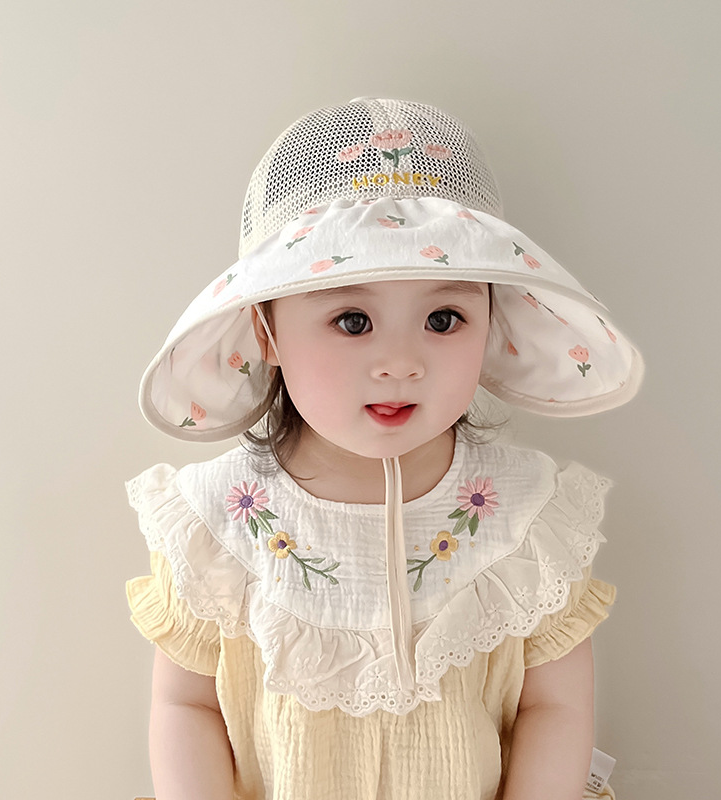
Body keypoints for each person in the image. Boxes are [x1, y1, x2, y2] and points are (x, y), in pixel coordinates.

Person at [126, 97, 644, 800]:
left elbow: (552, 706)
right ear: (268, 331)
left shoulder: (529, 518)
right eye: (351, 319)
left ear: (491, 321)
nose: (401, 362)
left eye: (442, 317)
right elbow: (185, 704)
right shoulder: (218, 523)